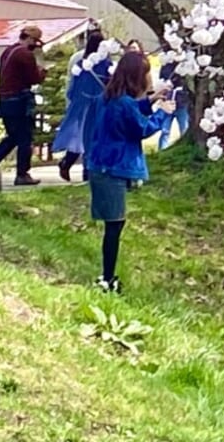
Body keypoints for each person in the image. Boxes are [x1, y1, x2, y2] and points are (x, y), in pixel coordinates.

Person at [85, 48, 174, 292]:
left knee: (115, 224)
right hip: (110, 169)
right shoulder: (123, 103)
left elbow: (131, 113)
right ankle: (106, 279)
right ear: (137, 76)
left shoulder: (109, 97)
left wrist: (152, 100)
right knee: (115, 225)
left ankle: (107, 276)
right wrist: (163, 115)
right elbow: (141, 128)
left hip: (102, 167)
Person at [0, 25, 47, 185]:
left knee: (14, 136)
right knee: (25, 137)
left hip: (4, 100)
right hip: (19, 100)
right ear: (31, 39)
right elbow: (34, 78)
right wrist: (43, 72)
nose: (36, 46)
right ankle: (22, 174)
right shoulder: (25, 54)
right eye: (36, 42)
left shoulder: (8, 51)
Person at [52, 25, 112, 181]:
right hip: (99, 105)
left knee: (82, 138)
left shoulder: (80, 62)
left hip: (81, 105)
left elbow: (72, 86)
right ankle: (87, 171)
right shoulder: (106, 63)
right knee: (93, 138)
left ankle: (76, 167)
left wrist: (72, 100)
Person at [156, 54, 189, 149]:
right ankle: (161, 150)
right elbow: (162, 80)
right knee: (164, 130)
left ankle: (184, 150)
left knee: (184, 128)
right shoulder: (166, 64)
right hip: (168, 100)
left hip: (182, 101)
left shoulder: (185, 64)